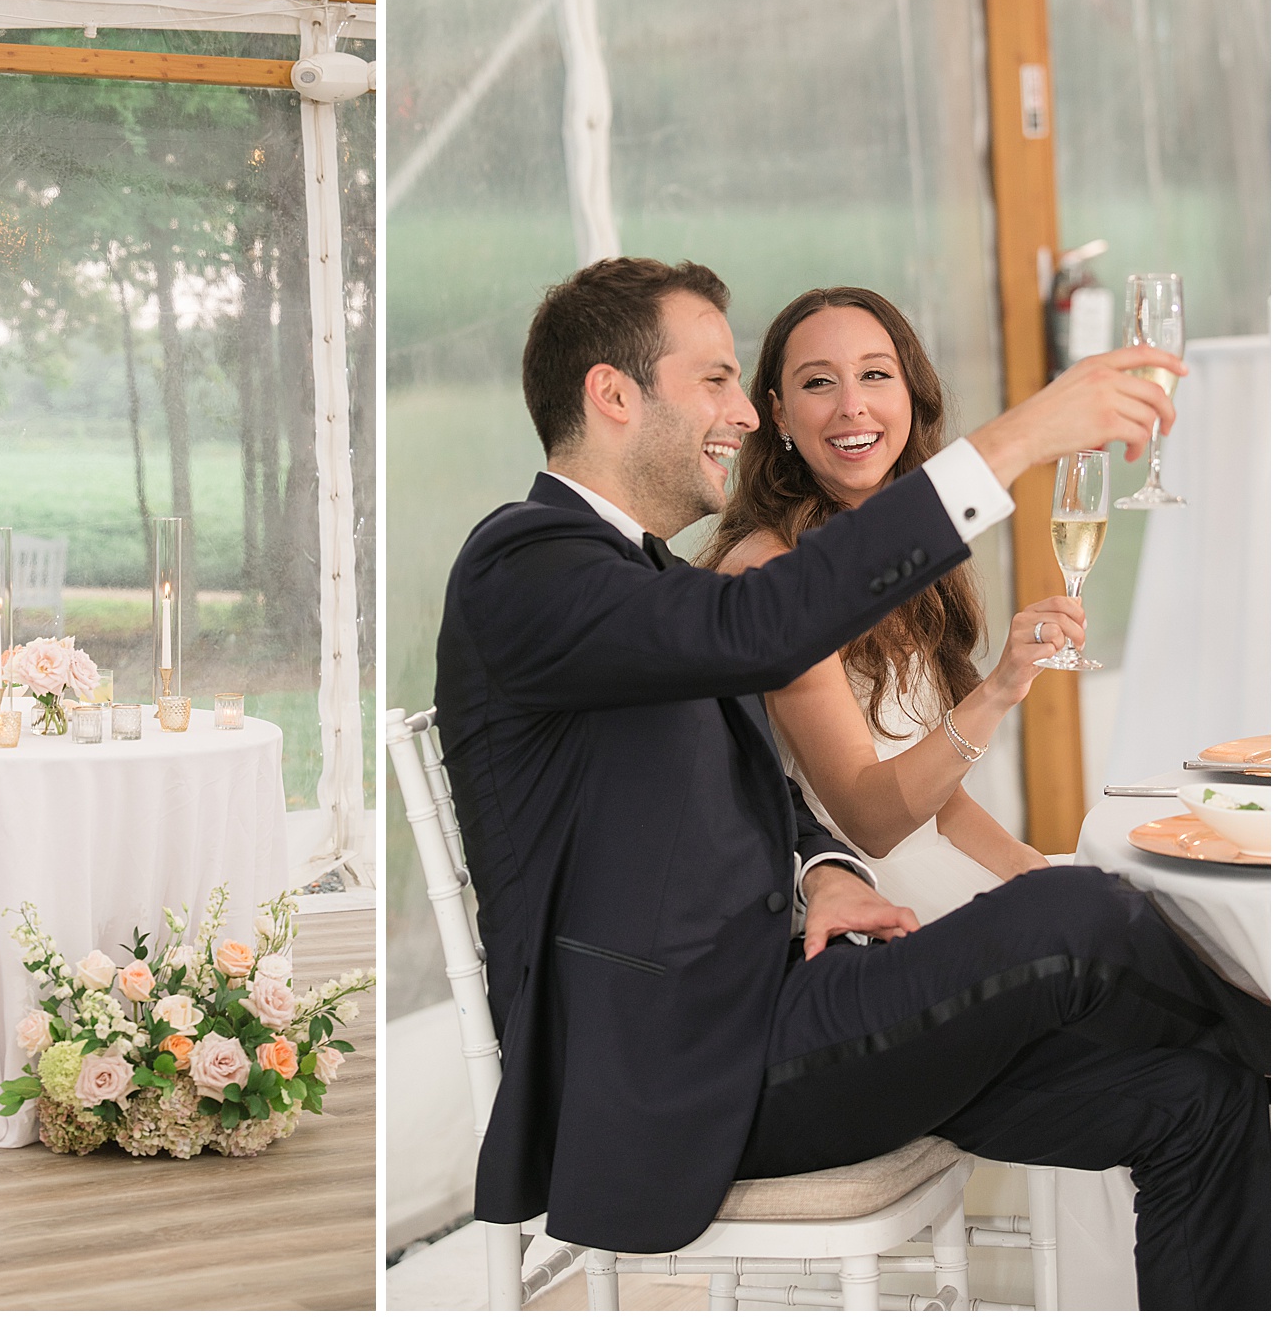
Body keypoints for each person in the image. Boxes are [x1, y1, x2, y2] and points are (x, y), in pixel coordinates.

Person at [434, 257, 1266, 1308]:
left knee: (1212, 1097)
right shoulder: (524, 568)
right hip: (686, 1071)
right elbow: (764, 625)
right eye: (719, 380)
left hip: (780, 1003)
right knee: (1074, 909)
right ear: (613, 394)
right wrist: (1019, 439)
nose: (744, 412)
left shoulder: (633, 578)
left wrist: (823, 863)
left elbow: (759, 780)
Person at [701, 287, 1070, 921]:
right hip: (851, 897)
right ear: (779, 414)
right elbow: (872, 820)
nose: (852, 406)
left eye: (875, 374)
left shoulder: (906, 551)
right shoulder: (772, 572)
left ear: (910, 394)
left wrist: (1028, 869)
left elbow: (936, 797)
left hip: (927, 862)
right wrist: (1001, 688)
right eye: (819, 383)